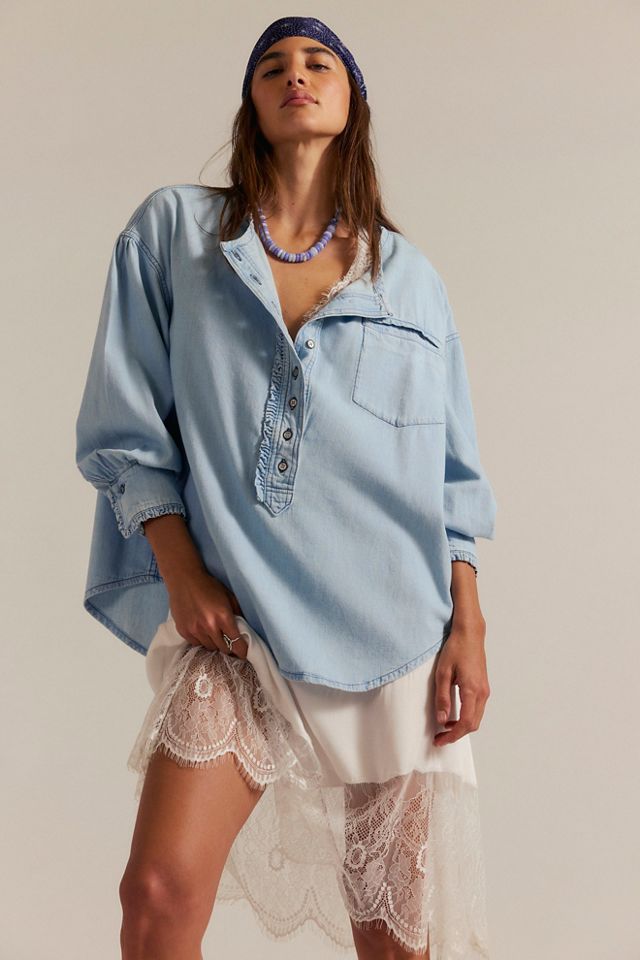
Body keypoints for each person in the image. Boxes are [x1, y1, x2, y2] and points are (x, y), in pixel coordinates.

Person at [75, 15, 497, 960]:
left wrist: (467, 625)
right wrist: (180, 570)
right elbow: (125, 420)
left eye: (317, 62)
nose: (295, 75)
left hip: (395, 636)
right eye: (272, 65)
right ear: (251, 104)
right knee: (156, 894)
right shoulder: (176, 233)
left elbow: (451, 474)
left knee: (394, 944)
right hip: (237, 628)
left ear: (353, 103)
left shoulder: (410, 280)